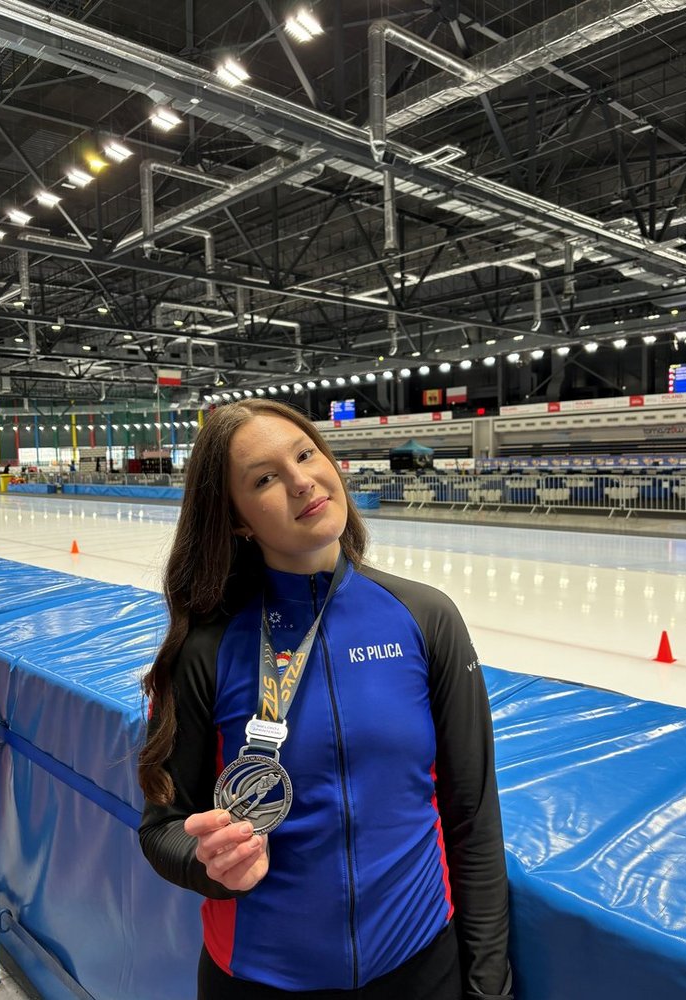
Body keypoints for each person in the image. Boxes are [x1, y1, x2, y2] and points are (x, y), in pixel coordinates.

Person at [138, 399, 512, 1000]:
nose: (301, 481)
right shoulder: (207, 649)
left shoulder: (425, 617)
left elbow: (472, 815)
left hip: (420, 964)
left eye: (306, 454)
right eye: (264, 478)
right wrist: (211, 865)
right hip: (259, 978)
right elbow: (162, 829)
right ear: (236, 520)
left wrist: (489, 984)